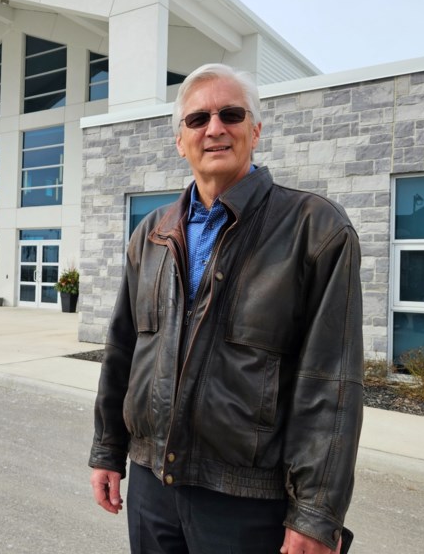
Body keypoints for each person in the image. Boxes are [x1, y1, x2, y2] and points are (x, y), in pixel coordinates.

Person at [89, 63, 363, 554]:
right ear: (180, 140)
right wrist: (109, 450)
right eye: (197, 119)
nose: (214, 128)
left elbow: (331, 383)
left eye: (230, 114)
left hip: (248, 502)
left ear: (255, 130)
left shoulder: (315, 230)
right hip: (152, 488)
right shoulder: (152, 233)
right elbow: (123, 351)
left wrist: (316, 514)